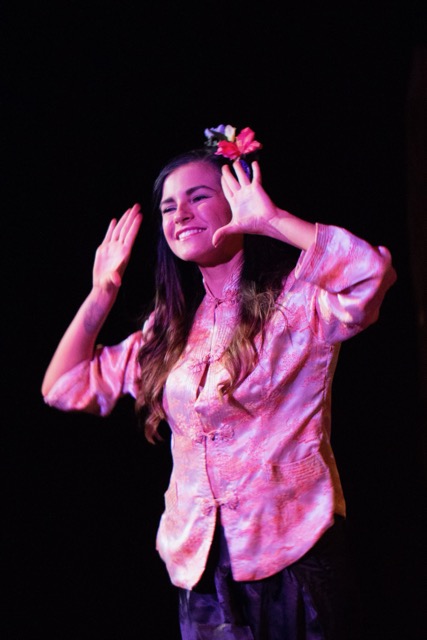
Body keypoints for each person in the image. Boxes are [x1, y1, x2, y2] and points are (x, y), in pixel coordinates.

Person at [41, 124, 397, 639]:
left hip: (294, 554)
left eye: (198, 197)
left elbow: (370, 274)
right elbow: (64, 385)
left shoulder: (296, 300)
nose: (179, 214)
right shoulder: (169, 329)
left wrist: (272, 221)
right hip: (203, 568)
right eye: (168, 207)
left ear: (236, 200)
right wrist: (102, 294)